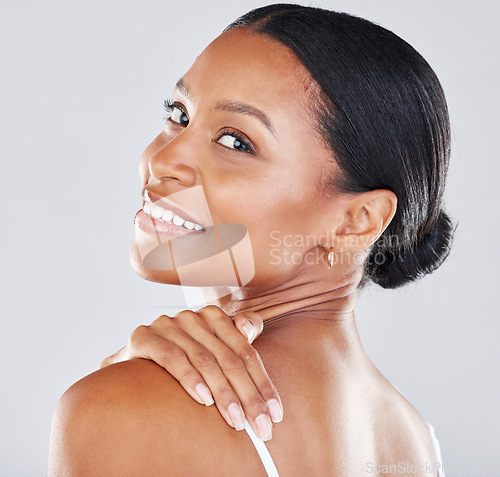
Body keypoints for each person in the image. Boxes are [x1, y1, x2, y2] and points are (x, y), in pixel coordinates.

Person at [48, 4, 452, 476]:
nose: (162, 160)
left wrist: (116, 392)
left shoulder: (119, 411)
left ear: (356, 221)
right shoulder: (416, 441)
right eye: (179, 114)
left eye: (236, 142)